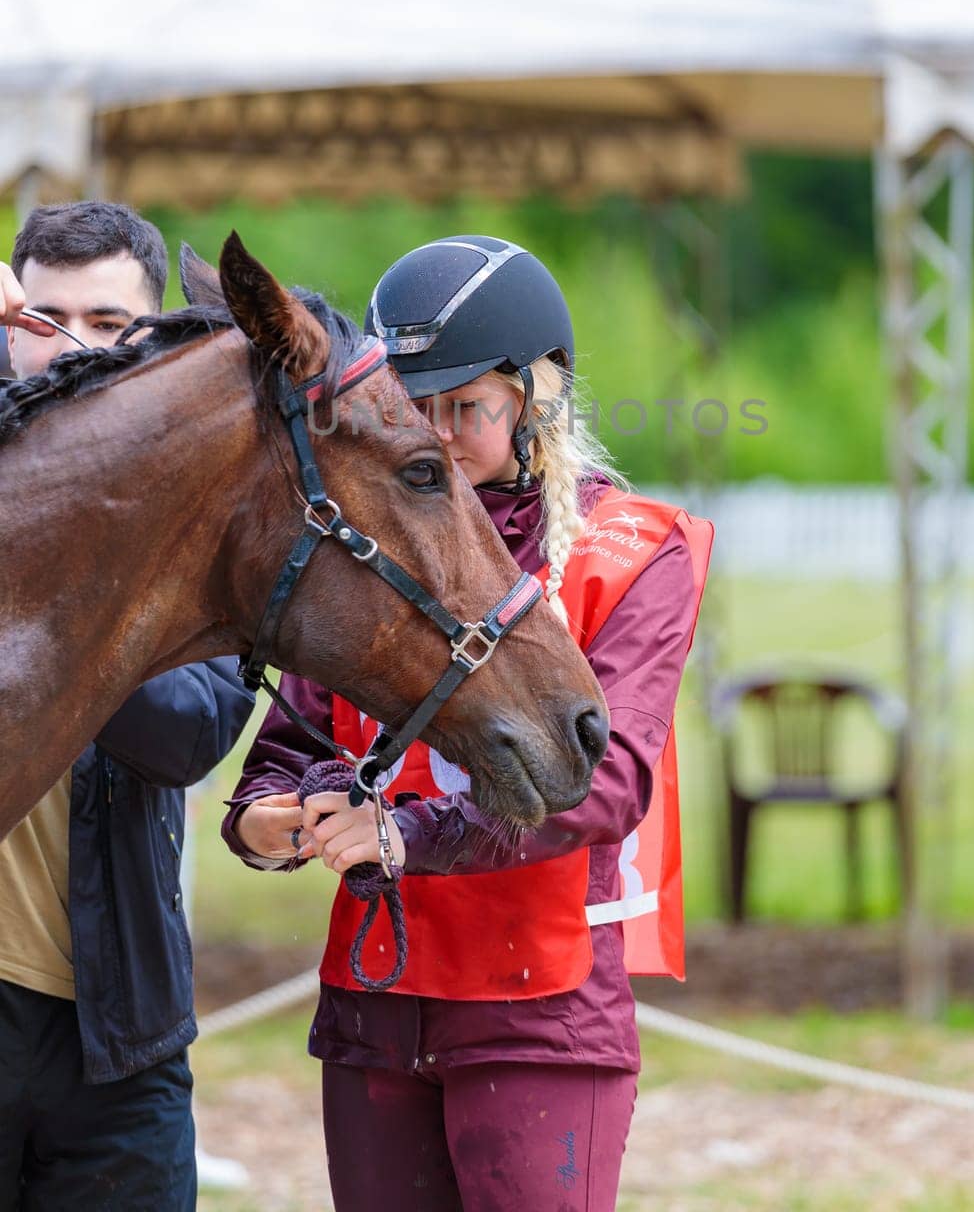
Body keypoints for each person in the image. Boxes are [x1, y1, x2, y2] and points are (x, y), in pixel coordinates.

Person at [223, 233, 713, 1212]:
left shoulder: (631, 548)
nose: (438, 434)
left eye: (465, 407)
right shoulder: (363, 548)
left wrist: (405, 835)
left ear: (534, 394)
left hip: (540, 1005)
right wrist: (269, 818)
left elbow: (606, 784)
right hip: (374, 996)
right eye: (414, 410)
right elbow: (289, 750)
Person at [0, 202, 254, 1212]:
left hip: (120, 1034)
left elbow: (184, 731)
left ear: (155, 341)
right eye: (43, 316)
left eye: (107, 325)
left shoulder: (209, 517)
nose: (69, 346)